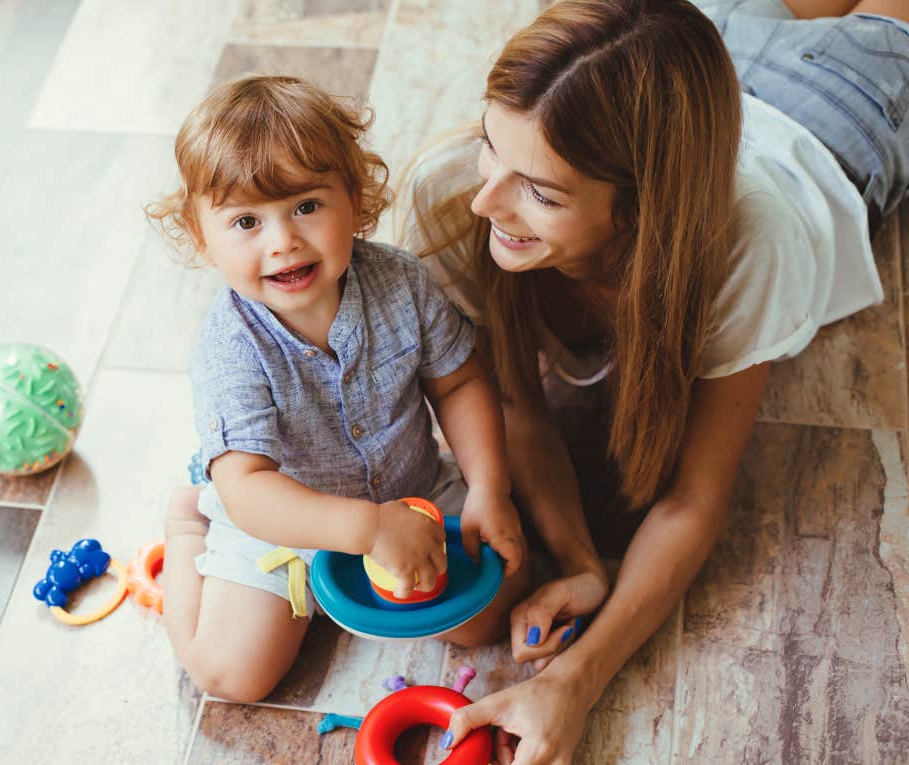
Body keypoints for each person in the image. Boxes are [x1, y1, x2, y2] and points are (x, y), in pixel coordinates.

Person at [397, 1, 907, 762]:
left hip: (825, 113)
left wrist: (575, 681)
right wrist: (576, 560)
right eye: (488, 144)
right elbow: (513, 403)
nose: (484, 201)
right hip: (695, 48)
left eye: (540, 191)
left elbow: (694, 498)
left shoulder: (750, 245)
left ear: (638, 214)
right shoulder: (446, 204)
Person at [145, 75, 530, 703]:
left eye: (306, 206)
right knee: (232, 676)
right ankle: (188, 522)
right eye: (246, 221)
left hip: (413, 491)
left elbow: (460, 382)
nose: (283, 241)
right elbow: (248, 487)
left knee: (491, 611)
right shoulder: (229, 348)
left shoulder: (401, 282)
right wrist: (366, 530)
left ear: (355, 197)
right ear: (200, 236)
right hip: (277, 525)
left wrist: (489, 486)